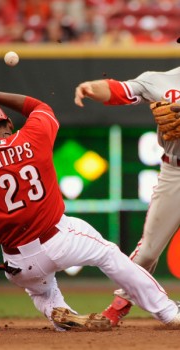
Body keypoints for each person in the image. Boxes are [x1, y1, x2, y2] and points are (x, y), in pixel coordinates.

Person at [0, 85, 180, 331]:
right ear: (9, 124)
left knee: (40, 290)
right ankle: (169, 312)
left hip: (17, 263)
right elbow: (37, 106)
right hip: (57, 239)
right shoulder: (34, 135)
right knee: (109, 255)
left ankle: (60, 315)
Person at [74, 66, 180, 326]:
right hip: (175, 171)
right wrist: (91, 87)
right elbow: (119, 90)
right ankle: (118, 307)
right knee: (148, 250)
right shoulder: (158, 80)